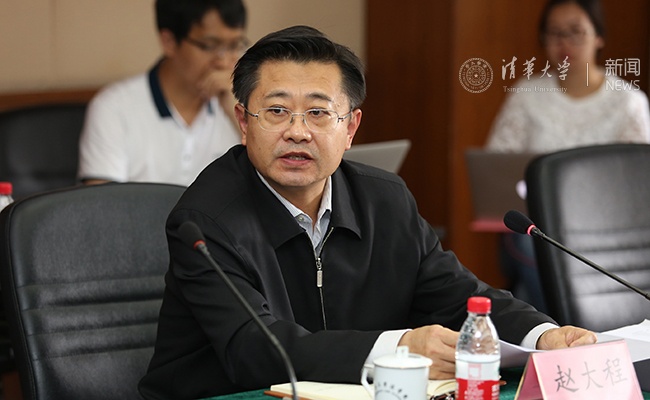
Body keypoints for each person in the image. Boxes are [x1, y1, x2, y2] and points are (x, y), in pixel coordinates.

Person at [138, 25, 597, 399]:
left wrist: (543, 336)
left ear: (351, 127)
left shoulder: (385, 200)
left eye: (318, 113)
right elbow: (255, 349)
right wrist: (400, 347)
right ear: (244, 121)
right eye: (276, 111)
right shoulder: (205, 221)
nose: (297, 131)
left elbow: (459, 296)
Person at [486, 0, 650, 313]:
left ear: (598, 36)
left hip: (605, 226)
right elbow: (495, 169)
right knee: (533, 245)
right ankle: (555, 330)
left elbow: (638, 185)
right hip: (537, 225)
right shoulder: (526, 95)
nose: (564, 43)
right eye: (555, 33)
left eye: (575, 32)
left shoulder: (628, 101)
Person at [77, 0, 247, 186]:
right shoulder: (114, 108)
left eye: (234, 45)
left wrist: (236, 112)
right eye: (209, 46)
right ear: (169, 42)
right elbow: (100, 200)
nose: (225, 61)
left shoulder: (240, 107)